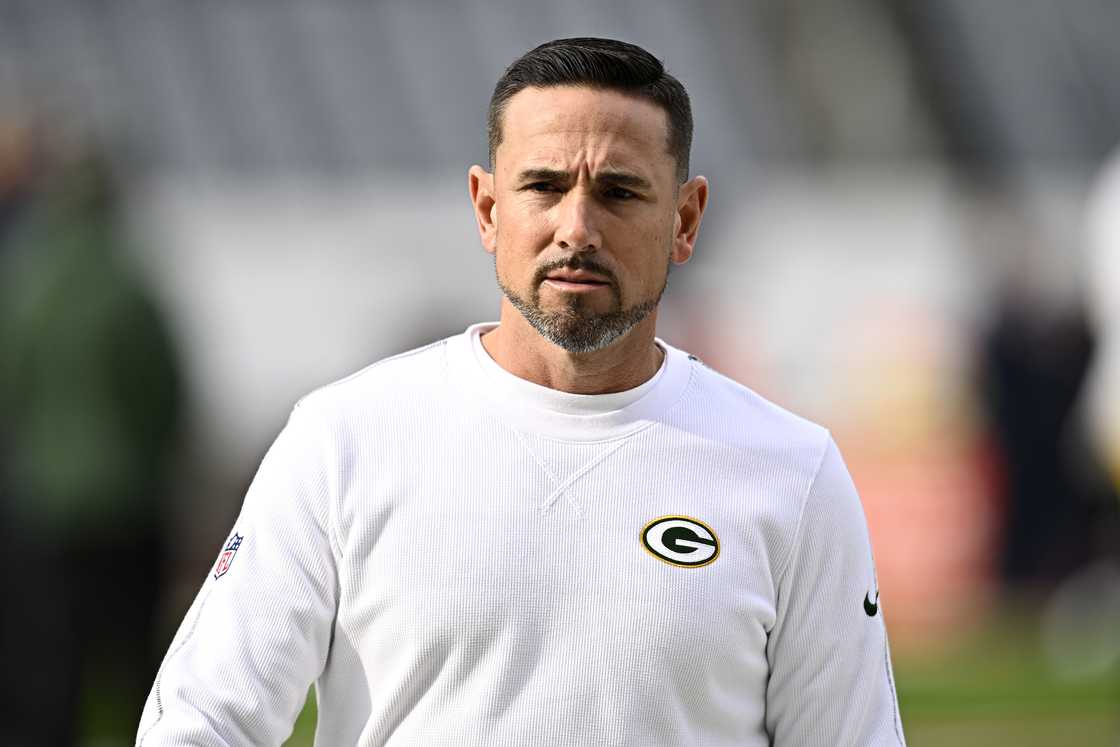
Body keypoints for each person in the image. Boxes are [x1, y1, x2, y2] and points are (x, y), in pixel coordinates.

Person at [138, 37, 905, 746]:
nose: (577, 226)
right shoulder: (344, 440)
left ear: (686, 218)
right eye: (543, 185)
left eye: (619, 192)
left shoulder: (790, 472)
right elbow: (202, 720)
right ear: (487, 207)